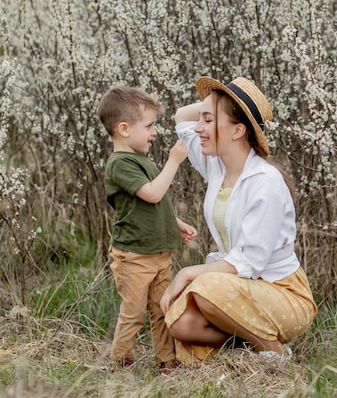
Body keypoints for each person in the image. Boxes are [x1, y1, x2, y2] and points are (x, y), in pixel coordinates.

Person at [159, 76, 317, 364]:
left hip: (282, 293)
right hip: (239, 288)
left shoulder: (265, 182)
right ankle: (246, 348)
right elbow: (182, 116)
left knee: (204, 288)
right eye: (202, 119)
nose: (198, 128)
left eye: (207, 120)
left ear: (238, 131)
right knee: (180, 321)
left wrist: (187, 273)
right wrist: (223, 100)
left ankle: (275, 352)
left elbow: (251, 260)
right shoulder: (217, 165)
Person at [97, 86, 198, 372]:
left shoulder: (140, 159)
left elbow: (154, 201)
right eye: (150, 125)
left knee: (161, 309)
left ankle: (167, 361)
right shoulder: (119, 164)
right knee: (134, 313)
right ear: (125, 129)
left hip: (159, 254)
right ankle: (122, 362)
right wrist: (174, 161)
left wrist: (175, 224)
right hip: (134, 256)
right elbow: (153, 193)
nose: (155, 132)